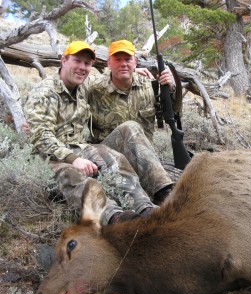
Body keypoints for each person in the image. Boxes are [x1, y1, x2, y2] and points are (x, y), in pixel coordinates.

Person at [23, 41, 171, 226]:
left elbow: (113, 79)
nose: (82, 68)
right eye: (77, 61)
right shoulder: (44, 93)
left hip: (80, 148)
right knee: (72, 175)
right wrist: (72, 159)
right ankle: (115, 219)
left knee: (114, 158)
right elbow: (41, 136)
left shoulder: (84, 85)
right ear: (63, 60)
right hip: (50, 157)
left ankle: (146, 207)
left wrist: (133, 73)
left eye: (87, 64)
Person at [88, 40, 175, 202]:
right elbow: (67, 86)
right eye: (117, 59)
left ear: (135, 62)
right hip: (106, 157)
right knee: (130, 127)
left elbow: (174, 114)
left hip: (142, 159)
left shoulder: (151, 85)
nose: (123, 64)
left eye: (127, 59)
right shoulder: (93, 87)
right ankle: (165, 194)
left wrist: (171, 88)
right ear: (108, 63)